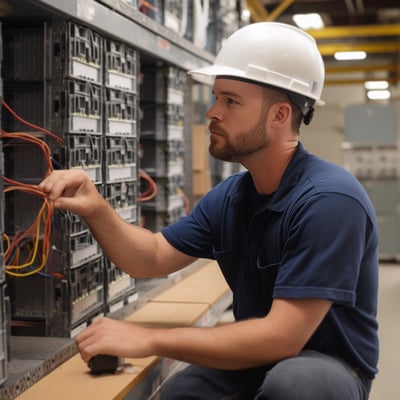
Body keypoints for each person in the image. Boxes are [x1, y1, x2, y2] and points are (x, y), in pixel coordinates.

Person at [39, 22, 379, 400]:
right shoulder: (232, 196)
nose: (212, 113)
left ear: (280, 115)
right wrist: (96, 208)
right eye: (216, 98)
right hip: (261, 359)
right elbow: (150, 256)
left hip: (328, 367)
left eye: (230, 101)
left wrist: (150, 338)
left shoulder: (330, 201)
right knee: (185, 391)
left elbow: (283, 337)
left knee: (295, 386)